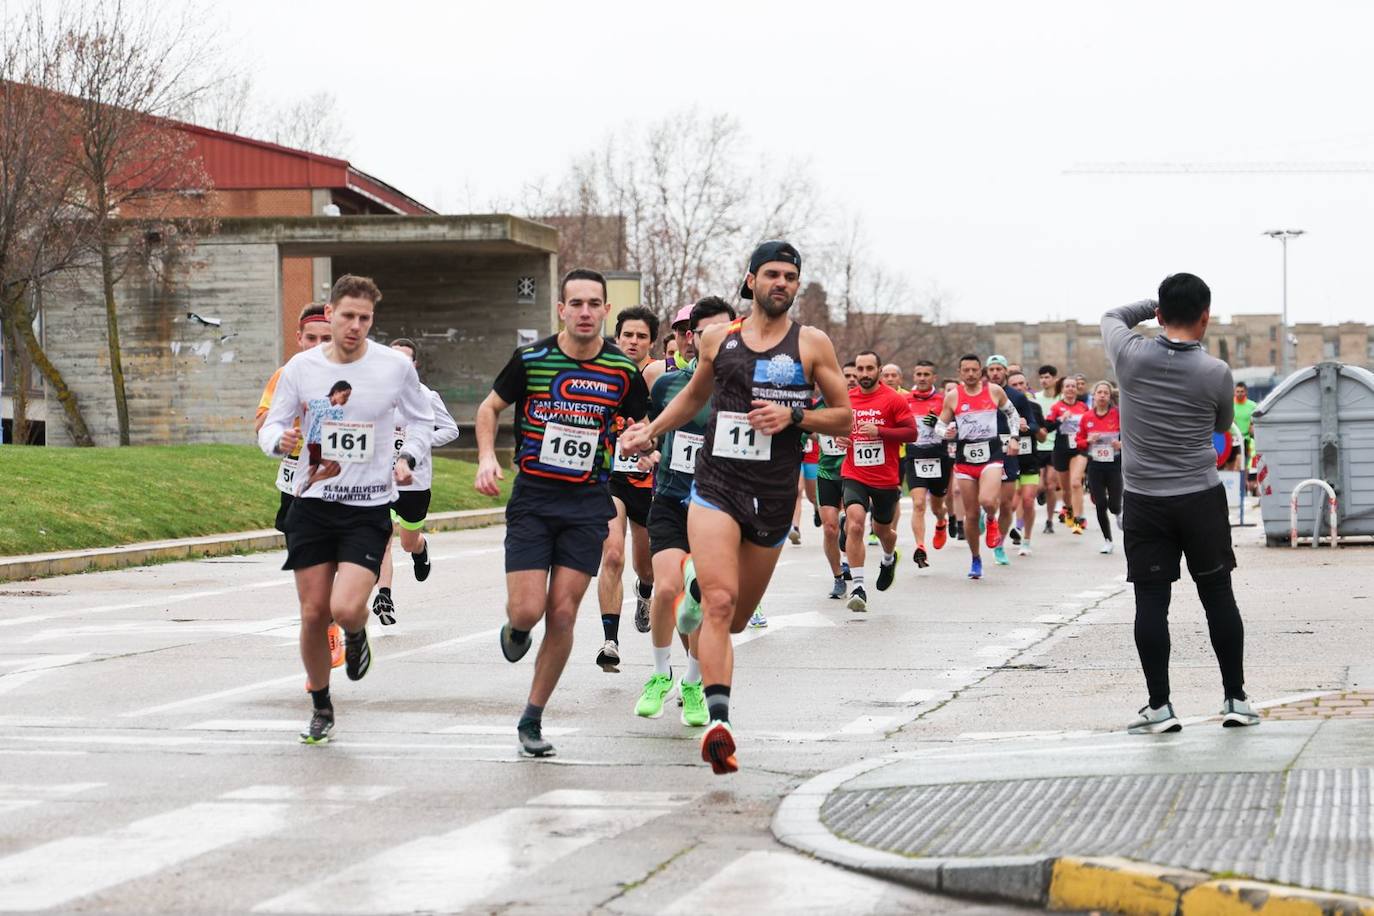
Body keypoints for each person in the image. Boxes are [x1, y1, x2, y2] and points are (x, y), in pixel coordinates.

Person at [619, 240, 851, 774]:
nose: (781, 284)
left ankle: (695, 600)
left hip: (771, 496)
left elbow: (843, 416)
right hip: (716, 486)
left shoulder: (812, 345)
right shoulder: (718, 340)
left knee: (736, 616)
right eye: (771, 274)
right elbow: (696, 397)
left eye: (790, 277)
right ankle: (720, 724)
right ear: (750, 281)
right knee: (722, 603)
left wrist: (794, 420)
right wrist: (650, 431)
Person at [474, 268, 649, 757]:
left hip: (586, 502)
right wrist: (487, 457)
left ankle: (532, 718)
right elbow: (488, 409)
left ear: (606, 310)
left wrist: (643, 442)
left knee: (565, 613)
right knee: (529, 609)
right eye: (577, 304)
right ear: (562, 310)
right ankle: (516, 627)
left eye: (595, 303)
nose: (586, 312)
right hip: (533, 498)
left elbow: (642, 423)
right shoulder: (531, 359)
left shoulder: (622, 370)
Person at [258, 275, 435, 745]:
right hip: (311, 504)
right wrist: (280, 441)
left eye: (364, 318)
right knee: (314, 613)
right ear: (330, 314)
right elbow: (269, 425)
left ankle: (356, 633)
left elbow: (422, 421)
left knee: (345, 606)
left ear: (371, 320)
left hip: (367, 507)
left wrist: (408, 457)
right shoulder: (301, 368)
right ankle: (321, 706)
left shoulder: (392, 368)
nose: (355, 326)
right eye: (347, 316)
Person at [1103, 274, 1257, 735]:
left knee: (1151, 601)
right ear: (1205, 317)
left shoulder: (1128, 356)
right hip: (1199, 498)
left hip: (1145, 500)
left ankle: (1160, 706)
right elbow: (1223, 422)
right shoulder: (1216, 372)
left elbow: (1112, 315)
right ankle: (1236, 698)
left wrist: (1156, 306)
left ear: (1161, 315)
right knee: (1217, 596)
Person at [633, 296, 736, 726]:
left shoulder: (746, 387)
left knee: (705, 603)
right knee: (665, 587)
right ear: (692, 337)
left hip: (717, 511)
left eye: (730, 332)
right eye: (710, 331)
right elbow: (650, 429)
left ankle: (694, 683)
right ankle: (660, 675)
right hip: (672, 500)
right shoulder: (668, 385)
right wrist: (646, 448)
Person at [255, 304, 345, 678]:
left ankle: (341, 616)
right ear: (298, 338)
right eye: (311, 338)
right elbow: (262, 423)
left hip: (345, 485)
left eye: (326, 338)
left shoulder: (355, 375)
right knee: (312, 576)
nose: (318, 345)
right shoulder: (287, 375)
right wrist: (284, 433)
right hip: (297, 485)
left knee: (343, 565)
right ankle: (324, 627)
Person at [371, 339, 461, 625]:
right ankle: (384, 596)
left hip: (415, 482)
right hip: (381, 480)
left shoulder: (426, 396)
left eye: (405, 361)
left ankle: (421, 550)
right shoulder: (375, 394)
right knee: (382, 539)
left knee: (408, 542)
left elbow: (451, 430)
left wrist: (418, 443)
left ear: (414, 365)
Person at [596, 305, 660, 670]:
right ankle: (610, 640)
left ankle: (645, 592)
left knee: (646, 567)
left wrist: (652, 450)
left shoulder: (659, 380)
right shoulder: (603, 376)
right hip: (613, 480)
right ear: (617, 338)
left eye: (641, 336)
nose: (633, 342)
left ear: (651, 342)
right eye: (627, 335)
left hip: (650, 484)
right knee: (613, 555)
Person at [930, 354, 1021, 580]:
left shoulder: (994, 391)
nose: (970, 374)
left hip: (991, 456)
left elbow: (1012, 414)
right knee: (970, 515)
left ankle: (991, 519)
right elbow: (939, 426)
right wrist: (946, 432)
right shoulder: (952, 397)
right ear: (960, 372)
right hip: (965, 458)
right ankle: (976, 558)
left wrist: (1014, 437)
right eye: (966, 370)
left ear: (981, 371)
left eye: (974, 370)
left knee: (988, 501)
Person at [840, 351, 916, 611]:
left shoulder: (894, 399)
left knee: (883, 531)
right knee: (856, 524)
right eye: (859, 369)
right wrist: (841, 438)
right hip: (854, 473)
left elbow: (912, 433)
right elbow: (838, 428)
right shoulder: (846, 399)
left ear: (879, 370)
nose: (863, 374)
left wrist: (880, 431)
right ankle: (858, 587)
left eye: (869, 369)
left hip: (885, 477)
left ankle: (888, 558)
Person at [985, 355, 1039, 566]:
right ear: (986, 373)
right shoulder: (980, 395)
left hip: (1009, 451)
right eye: (991, 369)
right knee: (988, 500)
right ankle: (985, 516)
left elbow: (1033, 425)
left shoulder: (1017, 397)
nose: (995, 373)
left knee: (1006, 504)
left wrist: (1027, 427)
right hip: (985, 452)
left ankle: (999, 544)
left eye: (999, 369)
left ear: (1006, 371)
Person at [905, 359, 951, 568]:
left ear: (934, 378)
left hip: (939, 457)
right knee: (918, 503)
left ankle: (942, 522)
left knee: (937, 506)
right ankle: (920, 546)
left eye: (926, 374)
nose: (922, 378)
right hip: (915, 455)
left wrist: (940, 424)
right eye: (919, 374)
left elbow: (954, 429)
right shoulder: (905, 400)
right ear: (914, 376)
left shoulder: (944, 400)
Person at [818, 362, 859, 599]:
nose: (852, 379)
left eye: (855, 376)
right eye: (847, 376)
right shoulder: (820, 406)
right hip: (826, 473)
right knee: (830, 528)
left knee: (851, 523)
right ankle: (838, 577)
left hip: (853, 472)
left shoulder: (858, 406)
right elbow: (803, 431)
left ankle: (851, 564)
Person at [1079, 380, 1123, 554]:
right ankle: (1107, 540)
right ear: (1094, 396)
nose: (1103, 395)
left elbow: (1130, 434)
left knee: (1113, 504)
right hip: (1095, 465)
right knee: (1100, 504)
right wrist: (1088, 441)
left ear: (1110, 396)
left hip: (1114, 464)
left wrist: (1121, 444)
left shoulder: (1118, 414)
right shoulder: (1087, 417)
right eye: (1099, 392)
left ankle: (1119, 512)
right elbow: (1079, 442)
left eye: (1106, 392)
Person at [1005, 370, 1046, 557]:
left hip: (1029, 460)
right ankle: (1001, 534)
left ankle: (1026, 540)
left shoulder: (1034, 407)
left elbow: (1042, 435)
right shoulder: (1000, 407)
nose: (1019, 388)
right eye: (1014, 385)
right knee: (1009, 503)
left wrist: (1030, 426)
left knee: (1028, 500)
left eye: (1022, 383)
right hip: (1008, 460)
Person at [1046, 378, 1090, 534]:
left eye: (1073, 386)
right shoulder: (1056, 407)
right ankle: (1069, 510)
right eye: (1067, 386)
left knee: (1076, 483)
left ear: (1077, 389)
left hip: (1078, 448)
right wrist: (1061, 419)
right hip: (1061, 449)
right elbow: (1048, 427)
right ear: (1062, 389)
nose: (1070, 389)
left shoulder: (1083, 407)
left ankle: (1079, 518)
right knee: (1065, 490)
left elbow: (1089, 425)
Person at [1034, 365, 1062, 533]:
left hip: (1054, 446)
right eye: (1042, 377)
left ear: (1055, 379)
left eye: (1047, 377)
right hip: (1037, 445)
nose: (1044, 380)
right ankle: (1040, 492)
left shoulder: (1061, 399)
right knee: (1040, 486)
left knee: (1051, 485)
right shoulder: (1035, 398)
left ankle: (1049, 521)